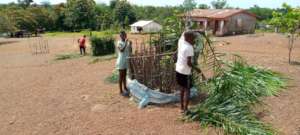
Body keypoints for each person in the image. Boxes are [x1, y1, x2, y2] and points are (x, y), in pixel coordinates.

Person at [176, 31, 200, 114]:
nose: (194, 40)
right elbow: (189, 63)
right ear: (189, 38)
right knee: (187, 90)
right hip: (185, 72)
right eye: (193, 38)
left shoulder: (181, 42)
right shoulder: (190, 48)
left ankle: (181, 107)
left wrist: (197, 32)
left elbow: (184, 33)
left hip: (178, 70)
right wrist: (196, 69)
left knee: (182, 89)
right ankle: (186, 109)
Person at [116, 31, 132, 97]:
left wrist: (130, 45)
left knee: (125, 75)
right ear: (120, 36)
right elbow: (121, 50)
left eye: (124, 35)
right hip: (121, 61)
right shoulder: (119, 43)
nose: (123, 36)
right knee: (121, 76)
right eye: (122, 35)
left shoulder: (127, 43)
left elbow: (130, 51)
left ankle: (125, 87)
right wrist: (125, 43)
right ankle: (120, 90)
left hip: (126, 61)